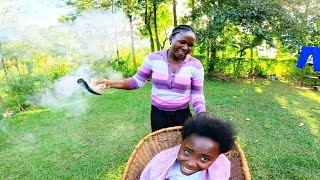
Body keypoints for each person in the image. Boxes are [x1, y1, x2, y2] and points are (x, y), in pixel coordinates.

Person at [95, 25, 206, 132]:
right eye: (182, 42)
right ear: (171, 39)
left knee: (182, 147)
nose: (186, 47)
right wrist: (108, 83)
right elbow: (136, 81)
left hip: (183, 116)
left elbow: (197, 94)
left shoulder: (195, 65)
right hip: (158, 115)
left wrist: (201, 114)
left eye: (190, 45)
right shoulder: (153, 58)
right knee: (161, 147)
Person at [140, 115, 236, 180]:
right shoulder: (164, 164)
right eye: (187, 152)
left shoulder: (216, 173)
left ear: (216, 158)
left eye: (204, 159)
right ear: (182, 143)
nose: (191, 163)